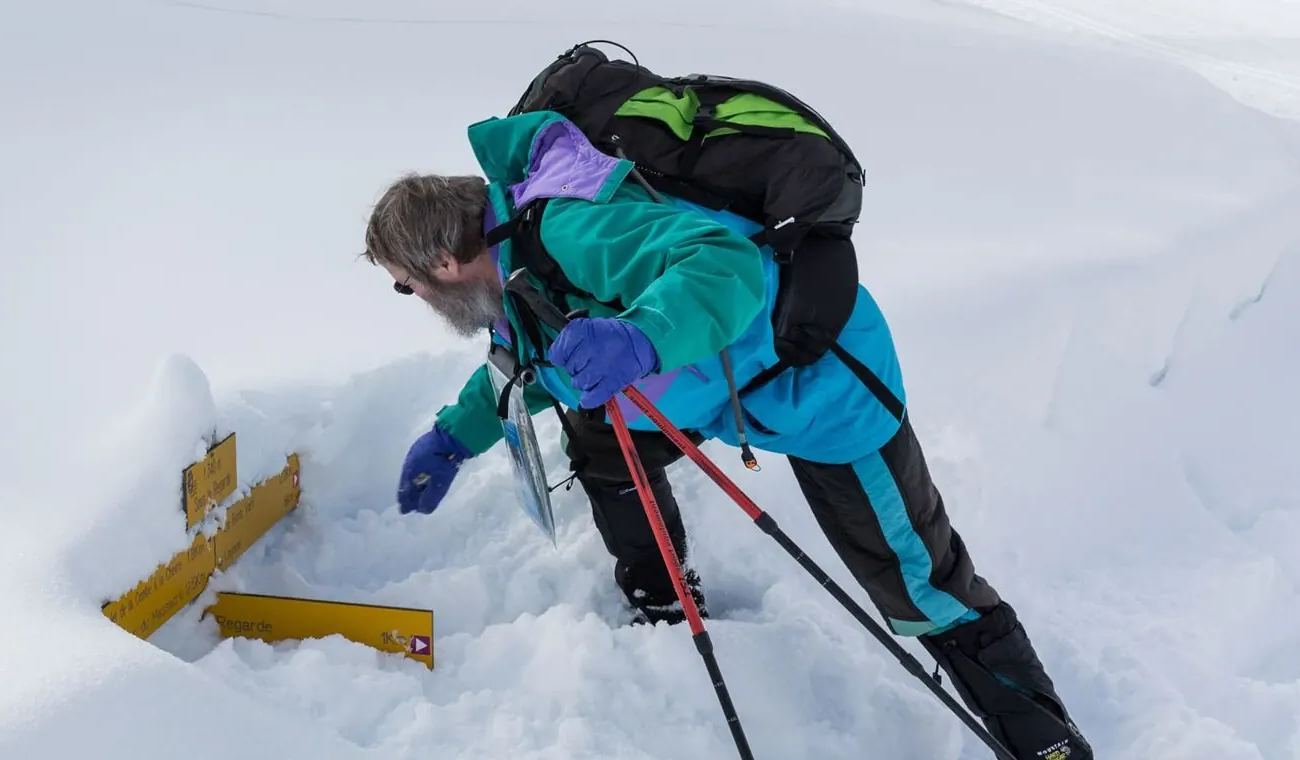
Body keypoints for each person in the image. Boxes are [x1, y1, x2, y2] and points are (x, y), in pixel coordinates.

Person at [360, 108, 1091, 760]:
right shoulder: (517, 259)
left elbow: (723, 264)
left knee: (921, 585)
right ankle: (662, 599)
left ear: (443, 262)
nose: (414, 299)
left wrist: (640, 339)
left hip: (823, 386)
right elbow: (532, 360)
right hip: (720, 390)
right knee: (601, 439)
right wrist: (457, 437)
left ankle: (1046, 744)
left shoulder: (570, 229)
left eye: (405, 283)